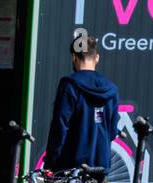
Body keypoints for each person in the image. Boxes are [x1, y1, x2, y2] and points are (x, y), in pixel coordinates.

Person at [45, 31, 119, 172]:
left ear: (74, 57)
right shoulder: (111, 89)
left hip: (70, 165)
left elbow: (59, 127)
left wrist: (50, 162)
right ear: (97, 58)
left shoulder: (70, 85)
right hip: (100, 164)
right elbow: (113, 131)